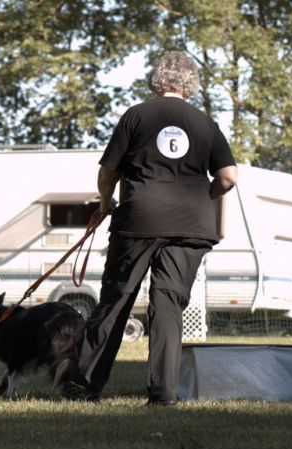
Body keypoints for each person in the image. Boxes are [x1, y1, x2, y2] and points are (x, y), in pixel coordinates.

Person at [62, 51, 238, 406]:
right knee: (168, 305)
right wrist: (201, 195)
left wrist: (105, 200)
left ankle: (84, 387)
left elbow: (108, 172)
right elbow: (229, 178)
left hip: (138, 220)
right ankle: (162, 395)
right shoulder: (206, 123)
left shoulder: (136, 116)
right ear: (191, 83)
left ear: (156, 78)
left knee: (116, 300)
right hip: (191, 225)